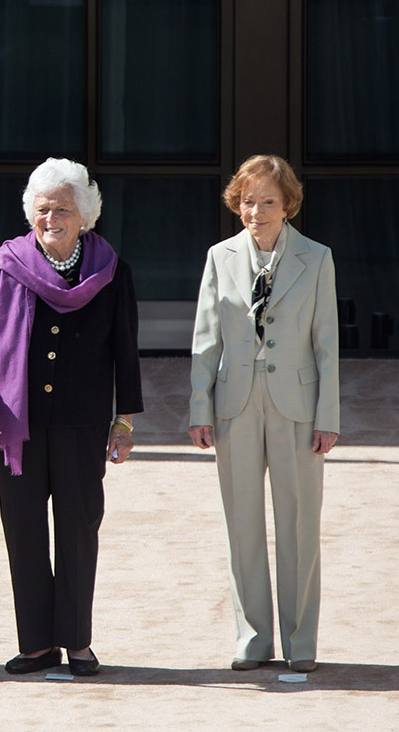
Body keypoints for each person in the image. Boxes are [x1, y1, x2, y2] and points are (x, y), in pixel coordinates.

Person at [0, 158, 142, 677]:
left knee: (79, 529)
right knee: (23, 531)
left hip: (83, 424)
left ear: (84, 215)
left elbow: (125, 354)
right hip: (17, 424)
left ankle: (77, 640)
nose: (51, 218)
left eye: (63, 208)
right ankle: (37, 643)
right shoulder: (5, 265)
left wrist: (124, 422)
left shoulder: (112, 271)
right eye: (42, 209)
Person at [188, 155, 338, 674]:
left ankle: (301, 641)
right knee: (242, 525)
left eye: (268, 201)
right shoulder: (219, 257)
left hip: (298, 408)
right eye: (248, 201)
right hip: (235, 406)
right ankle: (252, 638)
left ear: (287, 204)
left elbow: (327, 345)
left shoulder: (317, 259)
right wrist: (199, 407)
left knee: (299, 525)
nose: (256, 211)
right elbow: (205, 340)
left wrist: (328, 417)